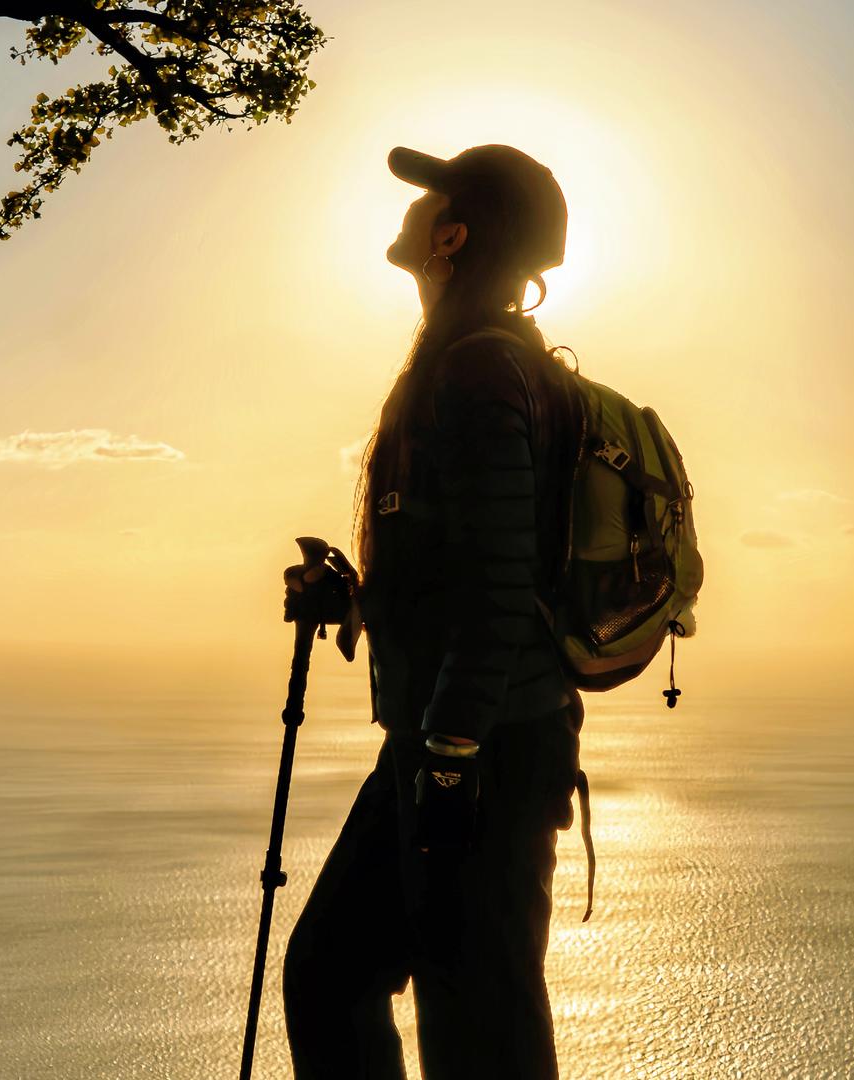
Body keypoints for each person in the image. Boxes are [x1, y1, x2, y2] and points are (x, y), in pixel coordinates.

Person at [283, 143, 588, 1080]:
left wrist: (450, 764)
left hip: (478, 755)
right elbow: (470, 568)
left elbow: (499, 591)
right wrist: (357, 596)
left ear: (451, 236)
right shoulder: (484, 362)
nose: (411, 213)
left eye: (429, 202)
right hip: (450, 744)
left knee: (478, 1032)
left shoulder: (478, 373)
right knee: (332, 972)